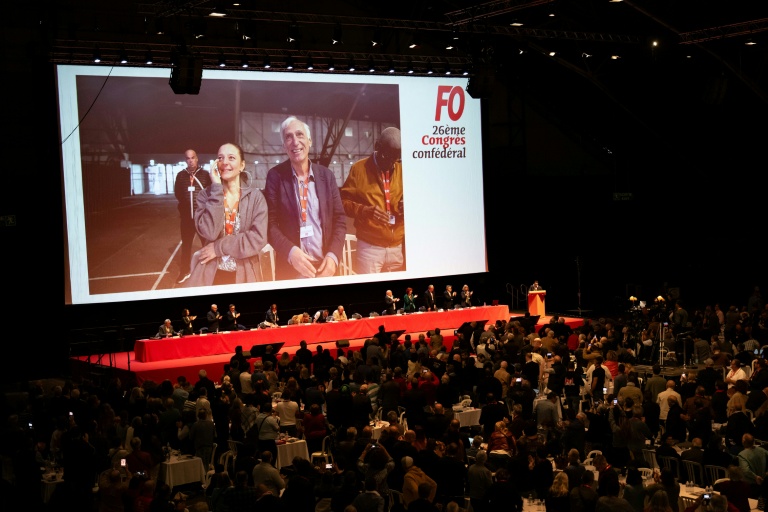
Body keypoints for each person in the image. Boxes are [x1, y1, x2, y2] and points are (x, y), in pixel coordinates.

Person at [264, 116, 346, 280]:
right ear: (284, 146)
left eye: (299, 135)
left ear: (309, 141)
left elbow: (340, 219)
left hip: (325, 268)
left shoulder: (326, 176)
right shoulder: (275, 176)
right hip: (292, 269)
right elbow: (270, 224)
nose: (295, 142)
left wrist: (333, 256)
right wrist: (290, 252)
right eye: (289, 137)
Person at [185, 142, 269, 286]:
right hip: (210, 274)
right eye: (220, 158)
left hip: (245, 275)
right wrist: (217, 190)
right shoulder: (205, 196)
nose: (225, 163)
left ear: (242, 165)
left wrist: (218, 248)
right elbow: (209, 233)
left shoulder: (256, 198)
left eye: (231, 158)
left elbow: (257, 239)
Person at [340, 126, 404, 274]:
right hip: (370, 249)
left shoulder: (402, 170)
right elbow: (342, 203)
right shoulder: (358, 169)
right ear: (377, 146)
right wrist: (365, 211)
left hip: (396, 247)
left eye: (395, 159)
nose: (390, 164)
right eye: (386, 157)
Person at [174, 148, 212, 284]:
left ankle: (209, 270)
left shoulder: (205, 175)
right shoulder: (180, 176)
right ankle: (185, 271)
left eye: (193, 157)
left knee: (206, 244)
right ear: (186, 160)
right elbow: (177, 193)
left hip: (201, 218)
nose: (190, 161)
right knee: (186, 246)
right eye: (188, 158)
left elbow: (211, 193)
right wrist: (184, 209)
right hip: (186, 219)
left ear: (197, 158)